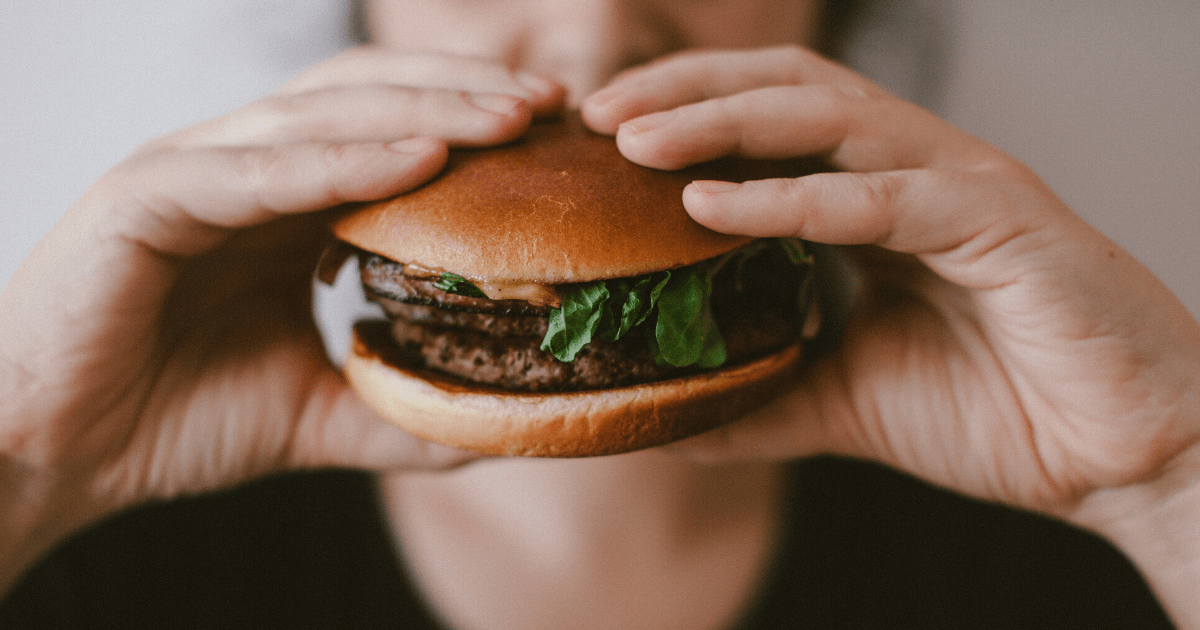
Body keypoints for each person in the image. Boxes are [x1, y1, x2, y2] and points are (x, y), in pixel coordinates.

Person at [1, 0, 1197, 627]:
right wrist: (26, 465)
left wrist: (1172, 482)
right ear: (366, 17)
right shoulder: (105, 549)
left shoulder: (1059, 549)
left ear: (825, 15)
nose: (593, 31)